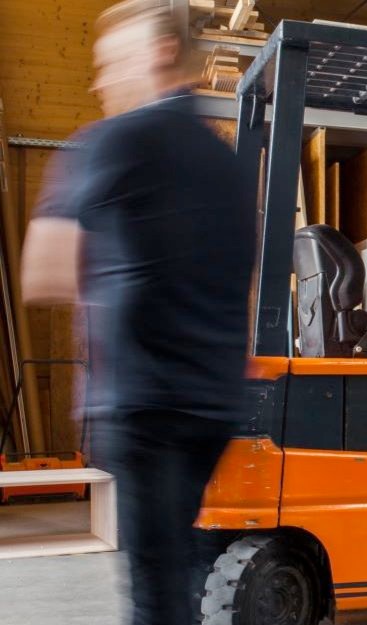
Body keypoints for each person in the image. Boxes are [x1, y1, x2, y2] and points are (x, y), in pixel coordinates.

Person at [21, 1, 256, 623]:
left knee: (154, 590)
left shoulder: (114, 141)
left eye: (109, 64)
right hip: (212, 403)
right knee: (176, 568)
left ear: (156, 53)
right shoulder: (229, 167)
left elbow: (43, 270)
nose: (99, 82)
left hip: (144, 401)